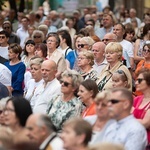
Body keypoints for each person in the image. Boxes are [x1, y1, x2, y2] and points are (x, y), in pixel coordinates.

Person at [132, 69, 150, 147]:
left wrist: (128, 119)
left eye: (139, 80)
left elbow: (145, 123)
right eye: (136, 80)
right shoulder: (136, 99)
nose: (136, 83)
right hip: (132, 139)